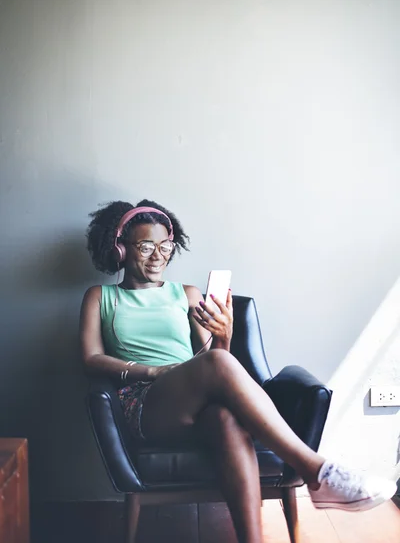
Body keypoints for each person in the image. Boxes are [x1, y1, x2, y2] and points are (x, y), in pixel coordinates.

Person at [80, 199, 396, 543]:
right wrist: (151, 373)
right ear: (121, 249)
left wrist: (224, 335)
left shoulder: (185, 294)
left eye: (165, 245)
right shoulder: (101, 296)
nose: (158, 255)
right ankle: (318, 472)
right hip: (145, 403)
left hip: (194, 399)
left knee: (227, 420)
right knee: (216, 369)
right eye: (145, 246)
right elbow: (90, 358)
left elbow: (215, 358)